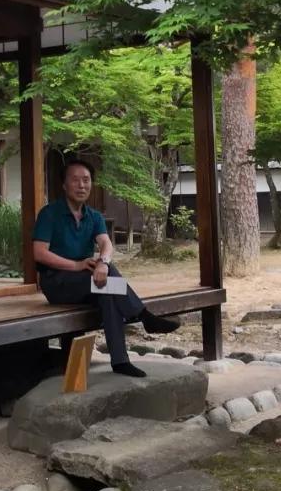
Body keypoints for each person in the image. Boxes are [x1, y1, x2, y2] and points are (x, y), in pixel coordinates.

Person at [32, 159, 179, 377]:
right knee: (107, 283)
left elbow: (106, 244)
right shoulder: (49, 213)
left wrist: (103, 262)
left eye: (86, 180)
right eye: (75, 180)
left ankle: (120, 361)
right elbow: (39, 253)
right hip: (56, 282)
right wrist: (77, 265)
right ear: (64, 185)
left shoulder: (94, 216)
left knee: (108, 293)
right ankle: (144, 316)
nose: (82, 185)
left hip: (86, 281)